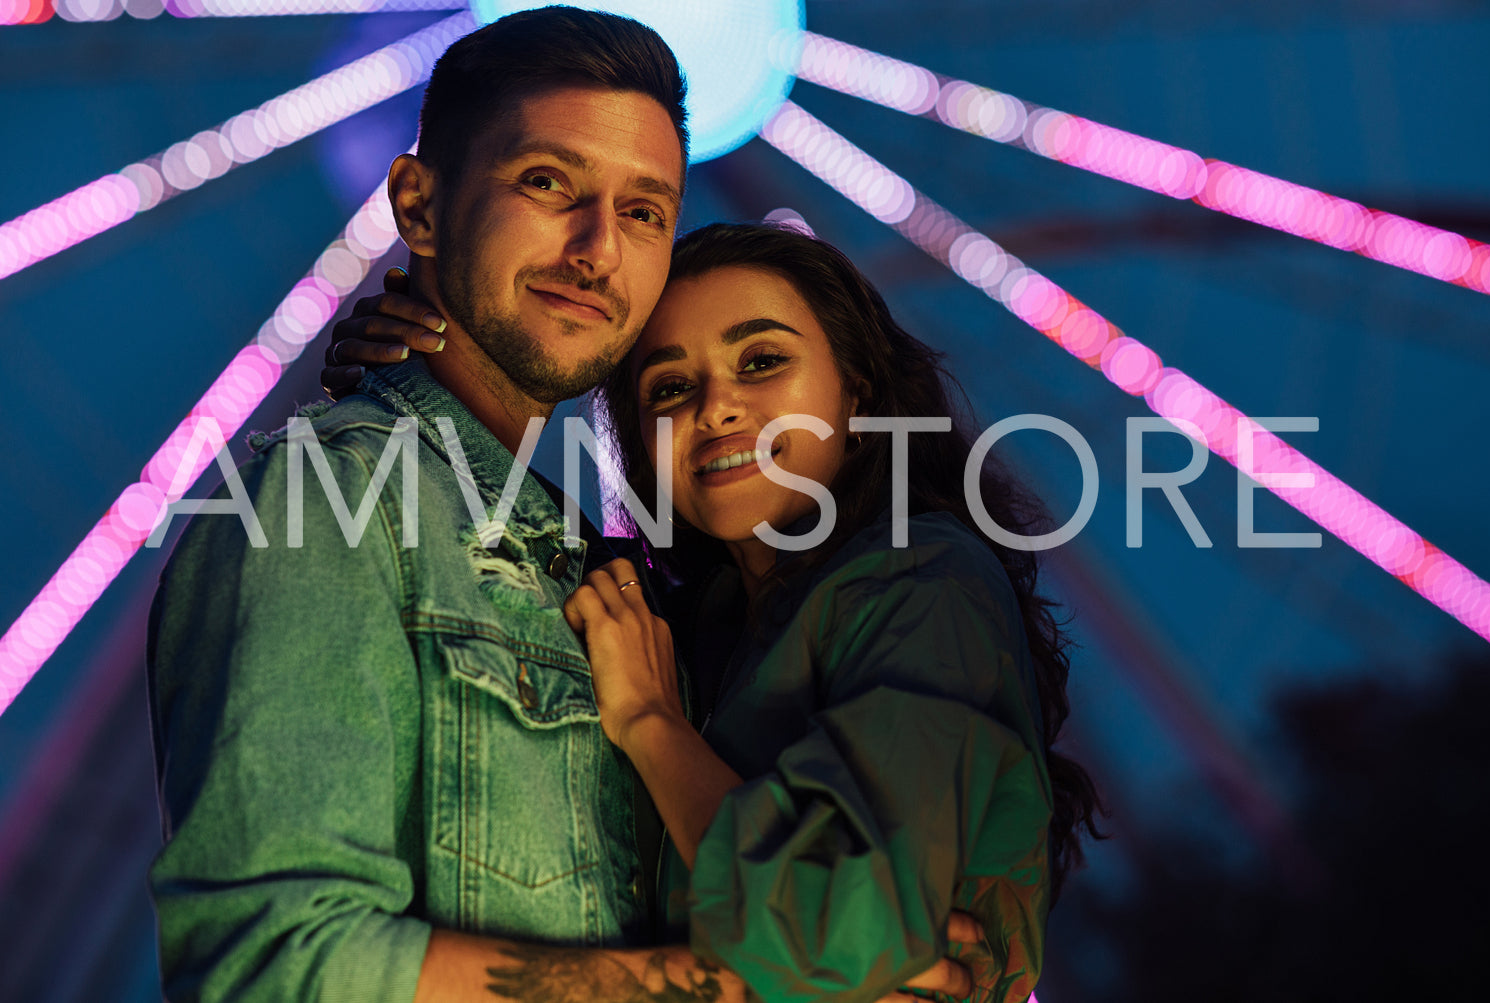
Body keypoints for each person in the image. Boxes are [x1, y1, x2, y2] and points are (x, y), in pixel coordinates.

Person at [150, 9, 975, 1003]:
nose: (596, 250)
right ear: (417, 205)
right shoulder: (325, 499)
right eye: (547, 184)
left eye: (643, 212)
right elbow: (272, 965)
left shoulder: (622, 586)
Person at [335, 222, 1104, 1003]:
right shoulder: (692, 628)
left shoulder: (924, 583)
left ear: (857, 388)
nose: (716, 408)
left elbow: (822, 929)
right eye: (668, 388)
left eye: (762, 361)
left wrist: (650, 722)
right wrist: (408, 378)